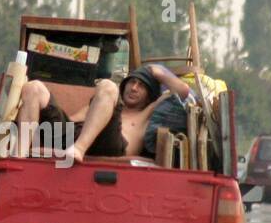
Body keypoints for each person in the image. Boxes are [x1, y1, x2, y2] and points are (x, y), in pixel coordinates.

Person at [16, 64, 190, 163]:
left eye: (142, 85)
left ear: (150, 94)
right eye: (132, 82)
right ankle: (19, 156)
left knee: (107, 85)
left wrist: (155, 70)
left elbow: (182, 91)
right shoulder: (106, 101)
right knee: (34, 87)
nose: (134, 88)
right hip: (77, 136)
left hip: (112, 145)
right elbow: (73, 121)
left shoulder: (151, 110)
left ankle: (79, 149)